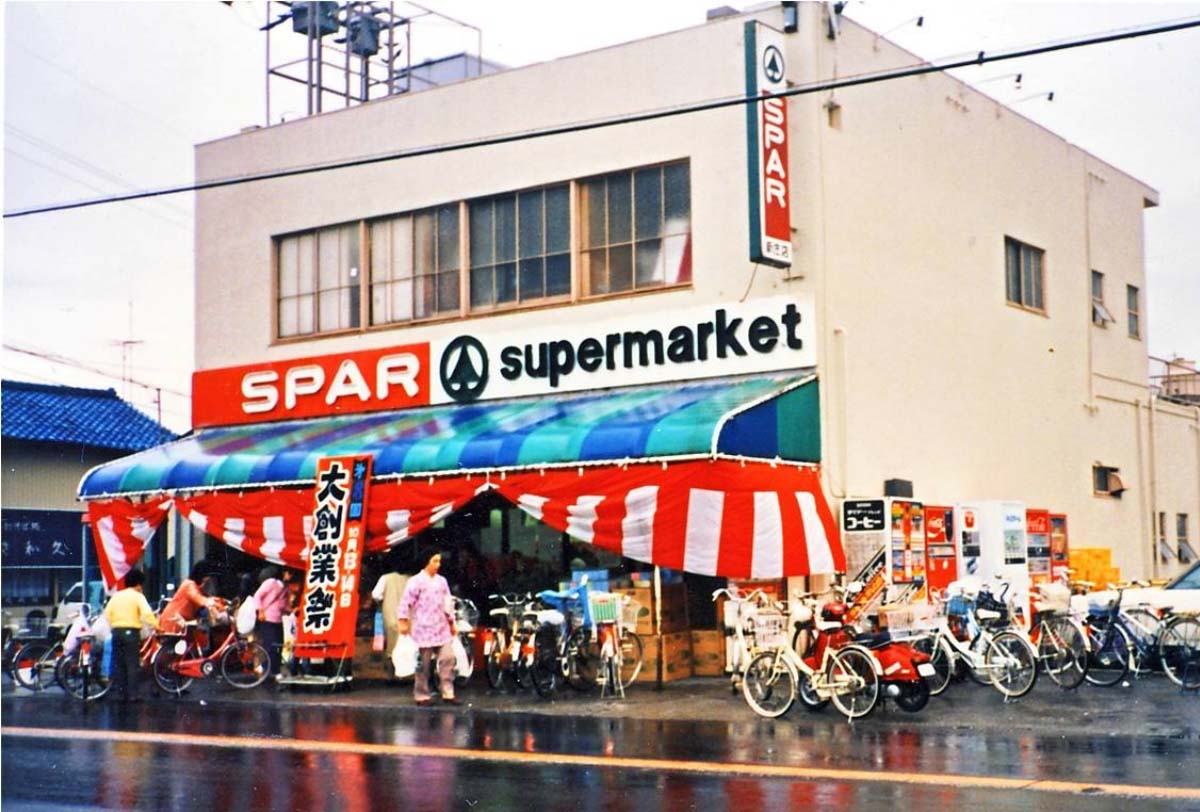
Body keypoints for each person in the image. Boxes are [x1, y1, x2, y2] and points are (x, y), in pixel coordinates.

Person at [397, 549, 458, 706]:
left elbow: (447, 602)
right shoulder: (415, 581)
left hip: (441, 626)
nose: (438, 564)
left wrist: (452, 622)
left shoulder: (442, 581)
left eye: (439, 561)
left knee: (448, 658)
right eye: (434, 561)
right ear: (426, 561)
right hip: (422, 628)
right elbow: (405, 602)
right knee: (423, 664)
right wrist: (403, 621)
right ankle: (422, 694)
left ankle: (448, 691)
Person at [102, 568, 158, 703]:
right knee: (132, 664)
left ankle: (121, 694)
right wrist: (157, 625)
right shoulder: (138, 596)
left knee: (119, 664)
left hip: (116, 632)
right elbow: (147, 614)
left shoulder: (116, 596)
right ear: (138, 584)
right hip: (131, 633)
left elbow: (107, 614)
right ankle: (133, 695)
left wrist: (115, 626)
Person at [372, 565, 410, 681]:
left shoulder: (385, 578)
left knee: (391, 649)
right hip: (408, 618)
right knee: (407, 647)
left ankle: (391, 676)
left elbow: (376, 595)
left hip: (391, 616)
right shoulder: (412, 579)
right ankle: (405, 675)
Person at [252, 565, 289, 678]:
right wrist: (261, 611)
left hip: (278, 619)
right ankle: (270, 669)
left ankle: (272, 669)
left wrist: (289, 610)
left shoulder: (285, 587)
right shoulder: (271, 582)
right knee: (270, 645)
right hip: (267, 618)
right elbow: (257, 596)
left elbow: (283, 604)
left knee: (278, 644)